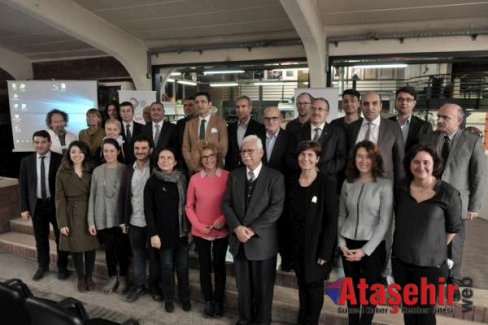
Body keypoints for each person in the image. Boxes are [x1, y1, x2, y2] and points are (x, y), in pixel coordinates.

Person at [422, 103, 486, 299]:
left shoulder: (472, 141)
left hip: (457, 203)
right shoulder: (429, 138)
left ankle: (453, 281)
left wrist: (474, 206)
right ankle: (432, 279)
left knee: (454, 244)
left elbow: (479, 176)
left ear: (459, 120)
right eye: (439, 116)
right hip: (430, 200)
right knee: (429, 241)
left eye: (445, 118)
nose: (440, 120)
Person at [393, 144, 462, 324]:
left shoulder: (448, 193)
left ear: (435, 164)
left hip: (431, 266)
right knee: (409, 312)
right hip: (402, 262)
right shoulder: (400, 189)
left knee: (424, 315)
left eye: (426, 162)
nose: (421, 166)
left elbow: (453, 229)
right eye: (416, 162)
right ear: (409, 164)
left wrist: (432, 247)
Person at [222, 135, 285, 325]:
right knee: (243, 288)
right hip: (239, 241)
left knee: (263, 290)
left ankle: (262, 321)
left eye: (250, 151)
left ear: (261, 153)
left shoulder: (275, 177)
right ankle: (244, 320)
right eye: (243, 151)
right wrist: (236, 227)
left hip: (262, 243)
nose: (246, 155)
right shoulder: (235, 175)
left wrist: (251, 229)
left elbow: (276, 208)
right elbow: (226, 203)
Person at [338, 141, 393, 325]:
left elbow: (385, 221)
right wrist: (342, 244)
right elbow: (341, 214)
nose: (363, 160)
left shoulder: (385, 185)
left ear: (375, 159)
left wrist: (364, 251)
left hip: (372, 246)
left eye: (368, 156)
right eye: (359, 156)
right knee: (352, 290)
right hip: (348, 244)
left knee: (371, 290)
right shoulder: (348, 183)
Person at [288, 141, 338, 324]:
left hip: (317, 249)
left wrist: (326, 252)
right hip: (297, 246)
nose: (306, 158)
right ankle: (302, 320)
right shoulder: (292, 181)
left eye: (310, 155)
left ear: (317, 159)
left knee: (314, 288)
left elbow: (332, 220)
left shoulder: (327, 183)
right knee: (302, 286)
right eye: (302, 154)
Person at [144, 147, 192, 313]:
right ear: (157, 161)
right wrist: (153, 234)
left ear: (175, 161)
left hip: (182, 233)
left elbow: (190, 205)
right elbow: (148, 210)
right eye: (162, 158)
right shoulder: (152, 182)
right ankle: (169, 298)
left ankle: (184, 297)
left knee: (183, 267)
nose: (165, 160)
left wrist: (191, 230)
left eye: (169, 157)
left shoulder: (183, 179)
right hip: (162, 235)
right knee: (166, 267)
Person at [185, 143, 229, 318]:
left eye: (211, 156)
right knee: (204, 268)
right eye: (204, 157)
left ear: (217, 157)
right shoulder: (194, 179)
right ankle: (208, 301)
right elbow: (189, 206)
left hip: (221, 231)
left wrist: (224, 219)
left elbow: (232, 202)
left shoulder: (227, 176)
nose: (208, 160)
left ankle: (218, 302)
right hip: (201, 231)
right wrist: (199, 226)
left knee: (219, 267)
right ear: (200, 160)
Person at [19, 130, 70, 281]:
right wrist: (24, 208)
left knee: (61, 238)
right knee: (40, 238)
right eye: (36, 142)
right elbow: (23, 186)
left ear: (49, 142)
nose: (39, 145)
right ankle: (43, 266)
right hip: (37, 206)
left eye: (43, 142)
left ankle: (62, 267)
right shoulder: (26, 161)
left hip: (55, 205)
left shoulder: (60, 159)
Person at [122, 135, 162, 303]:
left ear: (150, 150)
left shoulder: (156, 169)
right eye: (137, 148)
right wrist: (123, 220)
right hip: (134, 220)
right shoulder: (128, 169)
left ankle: (154, 286)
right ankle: (140, 285)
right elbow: (125, 197)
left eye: (144, 148)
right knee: (137, 255)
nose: (140, 151)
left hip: (152, 222)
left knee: (154, 257)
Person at [87, 138, 130, 294]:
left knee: (123, 250)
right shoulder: (97, 171)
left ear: (118, 151)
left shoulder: (125, 170)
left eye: (112, 151)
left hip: (121, 219)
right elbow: (91, 196)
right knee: (109, 250)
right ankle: (112, 277)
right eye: (106, 151)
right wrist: (91, 221)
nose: (109, 154)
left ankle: (123, 278)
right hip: (102, 217)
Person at [55, 141, 98, 292]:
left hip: (90, 211)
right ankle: (81, 277)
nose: (77, 155)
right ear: (69, 154)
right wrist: (62, 223)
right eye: (73, 151)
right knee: (77, 248)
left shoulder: (91, 170)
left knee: (91, 247)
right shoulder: (62, 173)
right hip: (71, 213)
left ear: (85, 154)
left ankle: (89, 276)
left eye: (80, 152)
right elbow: (59, 198)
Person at [262, 106, 298, 271]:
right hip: (261, 191)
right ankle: (266, 259)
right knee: (265, 225)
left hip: (283, 189)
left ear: (281, 119)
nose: (271, 121)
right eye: (268, 118)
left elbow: (292, 166)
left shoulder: (290, 138)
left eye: (274, 118)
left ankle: (286, 261)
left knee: (284, 227)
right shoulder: (257, 138)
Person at [346, 92, 405, 183]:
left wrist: (400, 188)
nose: (370, 107)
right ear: (360, 106)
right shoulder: (352, 128)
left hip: (383, 181)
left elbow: (400, 160)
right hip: (356, 181)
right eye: (366, 104)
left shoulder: (393, 128)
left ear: (380, 106)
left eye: (374, 103)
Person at [298, 97, 347, 186]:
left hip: (328, 180)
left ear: (327, 113)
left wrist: (317, 169)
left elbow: (341, 158)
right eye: (313, 108)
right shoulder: (299, 131)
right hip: (303, 179)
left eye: (320, 109)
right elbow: (294, 154)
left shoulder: (337, 132)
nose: (316, 112)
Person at [182, 92, 228, 173]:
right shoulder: (189, 124)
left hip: (214, 168)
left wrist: (213, 164)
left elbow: (223, 147)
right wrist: (192, 165)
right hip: (195, 169)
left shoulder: (220, 123)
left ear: (210, 104)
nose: (200, 104)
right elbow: (185, 148)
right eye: (197, 102)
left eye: (203, 101)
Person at [225, 96, 265, 171]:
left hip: (252, 169)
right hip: (233, 170)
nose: (240, 110)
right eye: (237, 107)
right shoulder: (230, 128)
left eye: (243, 106)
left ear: (250, 108)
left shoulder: (260, 128)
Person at [389, 86, 432, 153]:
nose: (404, 103)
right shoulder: (386, 123)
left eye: (408, 100)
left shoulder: (424, 126)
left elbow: (425, 151)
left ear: (414, 103)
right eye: (400, 99)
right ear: (396, 102)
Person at [176, 96, 197, 173]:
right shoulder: (180, 123)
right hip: (183, 163)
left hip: (200, 161)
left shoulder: (202, 122)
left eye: (190, 105)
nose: (187, 107)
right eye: (185, 106)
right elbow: (178, 143)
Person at [120, 101, 144, 165]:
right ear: (120, 113)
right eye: (123, 111)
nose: (126, 113)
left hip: (139, 164)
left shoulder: (142, 128)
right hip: (121, 164)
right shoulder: (116, 129)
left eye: (128, 111)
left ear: (133, 112)